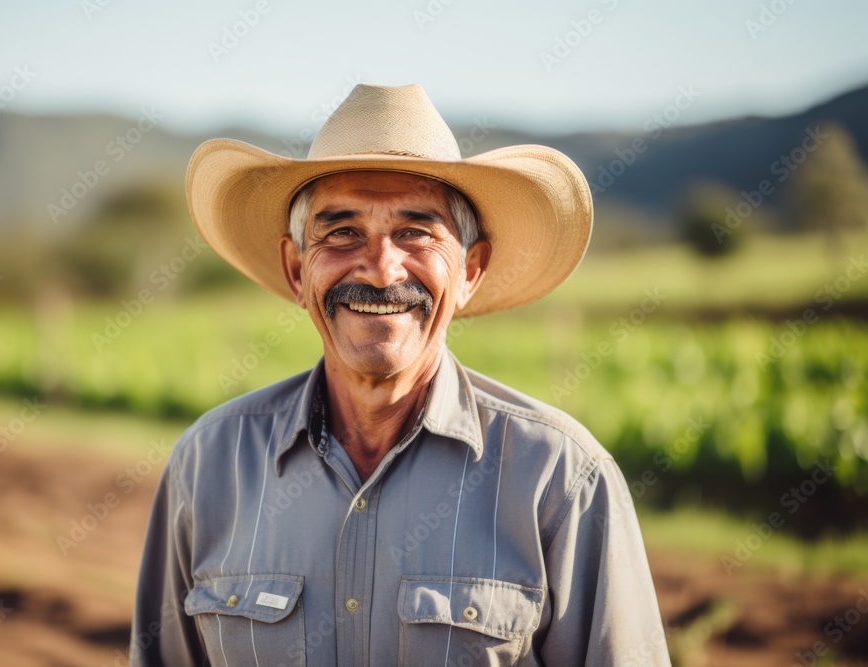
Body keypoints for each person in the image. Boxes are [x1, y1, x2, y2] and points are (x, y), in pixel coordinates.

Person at [131, 83, 670, 666]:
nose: (382, 270)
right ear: (295, 269)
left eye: (416, 232)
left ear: (471, 271)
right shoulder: (207, 466)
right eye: (341, 232)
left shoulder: (560, 480)